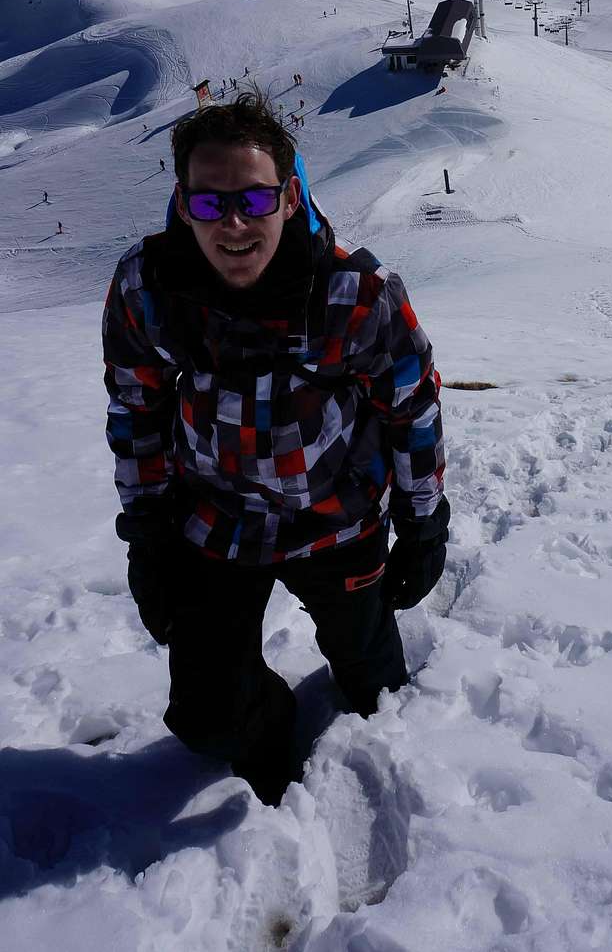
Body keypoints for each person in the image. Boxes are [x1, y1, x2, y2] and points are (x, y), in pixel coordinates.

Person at [102, 92, 447, 805]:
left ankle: (362, 695)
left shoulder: (356, 291)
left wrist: (421, 520)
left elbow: (411, 406)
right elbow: (136, 409)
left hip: (337, 518)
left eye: (254, 199)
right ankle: (265, 732)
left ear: (289, 196)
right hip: (215, 521)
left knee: (373, 677)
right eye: (209, 203)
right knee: (204, 713)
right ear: (182, 199)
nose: (232, 223)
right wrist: (147, 534)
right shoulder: (149, 288)